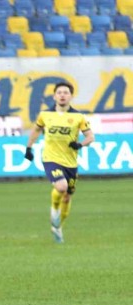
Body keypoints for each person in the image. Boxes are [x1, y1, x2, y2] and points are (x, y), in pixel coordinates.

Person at [24, 82, 95, 244]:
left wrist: (80, 144)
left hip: (70, 161)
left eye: (66, 92)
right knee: (61, 187)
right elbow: (36, 130)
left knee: (67, 197)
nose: (62, 95)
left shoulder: (78, 117)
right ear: (54, 96)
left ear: (71, 96)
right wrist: (29, 148)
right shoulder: (45, 115)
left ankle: (57, 227)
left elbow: (90, 137)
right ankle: (54, 211)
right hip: (51, 158)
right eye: (59, 92)